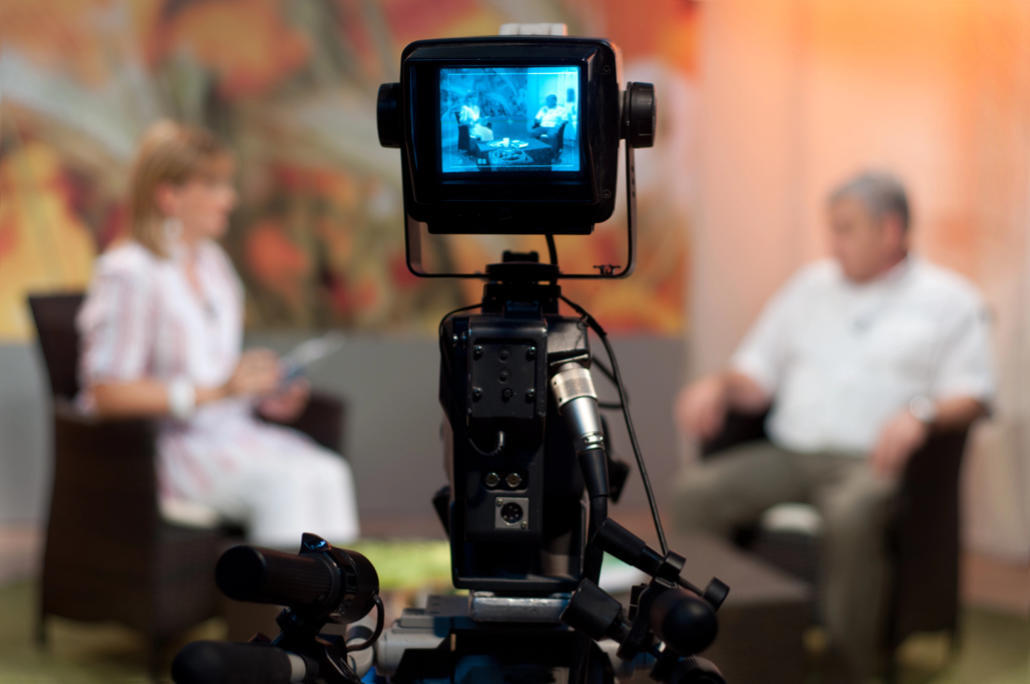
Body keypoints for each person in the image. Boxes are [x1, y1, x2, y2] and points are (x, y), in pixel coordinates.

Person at [674, 171, 994, 680]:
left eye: (845, 228)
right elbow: (756, 373)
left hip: (871, 463)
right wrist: (718, 385)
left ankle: (853, 665)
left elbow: (972, 394)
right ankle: (712, 643)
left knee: (851, 514)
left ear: (890, 231)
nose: (834, 242)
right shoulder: (808, 287)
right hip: (789, 453)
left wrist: (921, 412)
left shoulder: (949, 299)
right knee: (694, 493)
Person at [77, 120, 360, 548]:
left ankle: (332, 611)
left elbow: (215, 375)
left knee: (328, 472)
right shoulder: (129, 273)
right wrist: (217, 392)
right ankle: (274, 615)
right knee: (287, 484)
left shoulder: (214, 265)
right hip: (160, 451)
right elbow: (106, 393)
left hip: (228, 434)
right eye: (213, 186)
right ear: (168, 195)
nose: (230, 199)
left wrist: (261, 390)